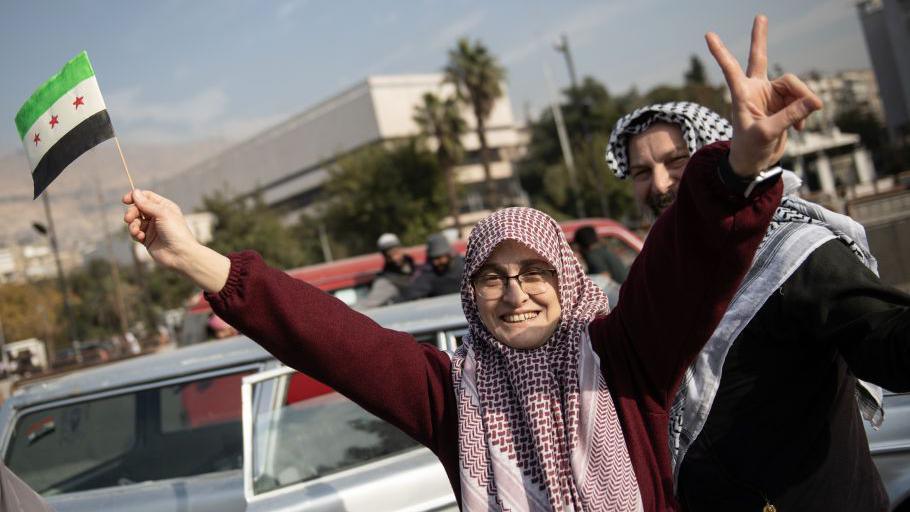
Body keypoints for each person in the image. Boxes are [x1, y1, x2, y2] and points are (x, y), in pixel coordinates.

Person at [123, 16, 817, 510]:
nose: (515, 293)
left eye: (534, 271)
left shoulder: (628, 357)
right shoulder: (453, 397)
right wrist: (190, 255)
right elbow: (329, 338)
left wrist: (738, 167)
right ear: (471, 294)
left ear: (569, 281)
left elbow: (685, 261)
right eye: (492, 276)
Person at [607, 98, 910, 510]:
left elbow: (887, 344)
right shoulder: (651, 288)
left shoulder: (794, 252)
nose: (659, 185)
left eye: (676, 161)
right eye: (642, 172)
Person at [356, 232, 416, 308]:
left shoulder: (418, 269)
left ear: (401, 248)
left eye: (395, 252)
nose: (394, 258)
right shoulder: (385, 281)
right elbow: (368, 304)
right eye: (388, 256)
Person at [400, 233, 464, 301]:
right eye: (433, 258)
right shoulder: (430, 273)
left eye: (439, 258)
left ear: (449, 255)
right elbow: (410, 293)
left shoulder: (466, 268)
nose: (435, 262)